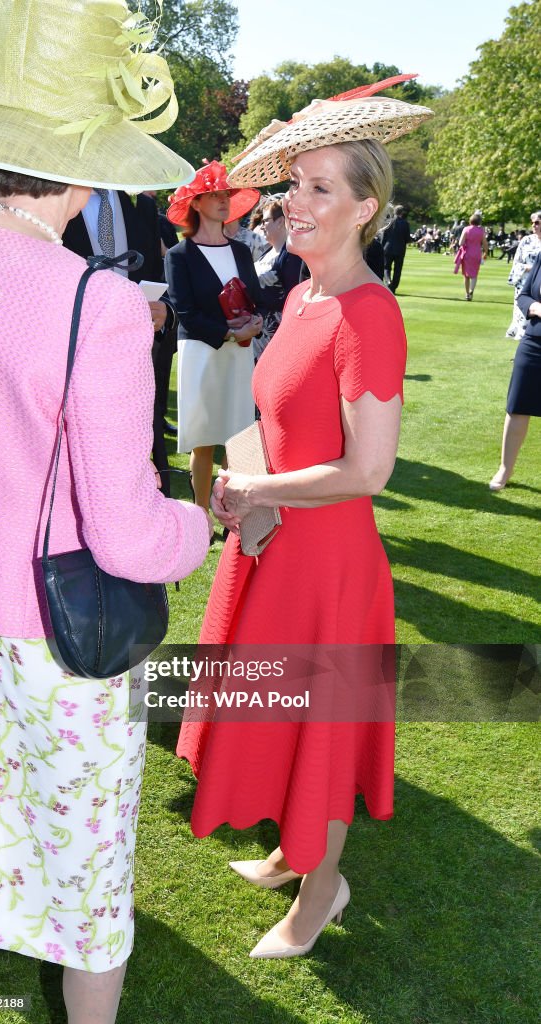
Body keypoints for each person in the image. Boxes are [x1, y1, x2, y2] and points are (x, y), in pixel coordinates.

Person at [0, 5, 211, 1024]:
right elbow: (131, 536)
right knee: (89, 875)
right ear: (87, 167)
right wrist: (202, 528)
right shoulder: (91, 302)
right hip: (63, 646)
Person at [177, 75, 432, 958]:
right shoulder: (299, 296)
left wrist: (257, 493)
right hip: (275, 545)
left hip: (325, 565)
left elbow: (369, 467)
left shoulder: (370, 313)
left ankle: (322, 891)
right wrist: (245, 477)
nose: (296, 202)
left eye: (322, 188)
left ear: (364, 209)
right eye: (295, 185)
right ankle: (296, 852)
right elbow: (287, 423)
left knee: (315, 732)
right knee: (279, 717)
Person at [64, 188, 178, 495]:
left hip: (133, 364)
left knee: (132, 466)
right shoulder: (60, 197)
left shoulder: (140, 206)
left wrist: (165, 310)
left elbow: (157, 277)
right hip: (73, 362)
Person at [164, 161, 263, 510]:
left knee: (236, 437)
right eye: (215, 194)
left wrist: (255, 322)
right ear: (195, 202)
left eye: (226, 194)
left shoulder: (239, 250)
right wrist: (228, 333)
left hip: (238, 355)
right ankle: (202, 514)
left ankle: (230, 510)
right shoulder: (179, 254)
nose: (223, 200)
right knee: (203, 440)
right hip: (201, 354)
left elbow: (254, 296)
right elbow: (185, 311)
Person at [489, 250, 541, 490]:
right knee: (517, 406)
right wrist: (535, 308)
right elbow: (524, 296)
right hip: (534, 342)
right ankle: (505, 469)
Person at [253, 198, 303, 360]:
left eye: (266, 220)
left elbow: (293, 296)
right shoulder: (266, 253)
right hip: (260, 332)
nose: (261, 225)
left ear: (281, 221)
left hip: (278, 331)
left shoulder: (290, 256)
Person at [505, 212, 541, 339]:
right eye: (532, 223)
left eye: (537, 222)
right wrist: (528, 267)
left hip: (539, 286)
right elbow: (516, 264)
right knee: (521, 318)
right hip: (523, 285)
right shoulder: (526, 241)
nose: (534, 225)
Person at [454, 213, 488, 300]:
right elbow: (485, 243)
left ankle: (467, 294)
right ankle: (471, 290)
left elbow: (460, 243)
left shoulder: (466, 229)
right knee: (474, 274)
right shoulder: (481, 230)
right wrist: (485, 253)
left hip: (467, 253)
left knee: (466, 275)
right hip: (477, 253)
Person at [382, 204, 411, 292]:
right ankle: (393, 286)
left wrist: (382, 246)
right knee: (398, 269)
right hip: (400, 249)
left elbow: (384, 236)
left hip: (388, 248)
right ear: (402, 213)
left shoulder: (389, 222)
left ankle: (388, 281)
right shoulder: (405, 223)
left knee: (386, 267)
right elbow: (407, 238)